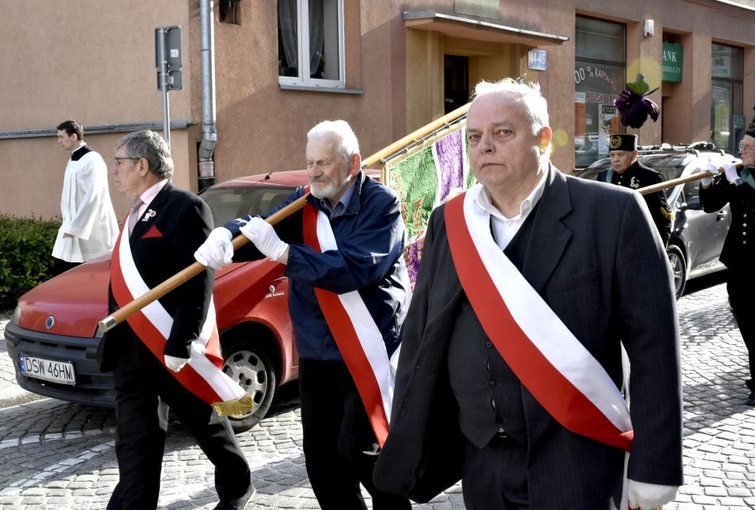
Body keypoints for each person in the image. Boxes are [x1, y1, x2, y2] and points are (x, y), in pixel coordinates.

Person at [373, 79, 683, 509]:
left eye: (503, 133)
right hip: (482, 464)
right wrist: (407, 441)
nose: (484, 147)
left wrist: (655, 467)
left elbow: (655, 348)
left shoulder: (613, 214)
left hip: (578, 460)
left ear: (544, 139)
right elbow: (424, 334)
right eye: (475, 137)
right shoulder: (450, 222)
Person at [194, 120, 412, 510]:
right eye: (310, 162)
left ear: (353, 163)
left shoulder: (383, 206)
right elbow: (263, 229)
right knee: (323, 461)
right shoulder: (306, 201)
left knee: (363, 452)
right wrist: (227, 235)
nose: (314, 172)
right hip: (317, 351)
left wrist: (286, 254)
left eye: (324, 163)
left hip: (368, 350)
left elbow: (356, 269)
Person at [97, 130, 253, 510]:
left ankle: (238, 485)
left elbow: (199, 279)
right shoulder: (133, 212)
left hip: (168, 346)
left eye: (119, 162)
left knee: (205, 423)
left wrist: (182, 341)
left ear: (142, 165)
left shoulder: (186, 207)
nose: (113, 170)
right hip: (130, 351)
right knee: (136, 441)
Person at [699, 102, 755, 407]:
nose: (743, 151)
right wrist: (708, 181)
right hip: (739, 263)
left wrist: (737, 182)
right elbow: (711, 205)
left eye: (750, 147)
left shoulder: (743, 177)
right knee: (748, 321)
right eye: (742, 145)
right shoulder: (736, 172)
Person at [52, 119, 119, 276]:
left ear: (74, 136)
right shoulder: (73, 159)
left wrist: (76, 225)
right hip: (72, 226)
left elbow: (93, 195)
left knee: (92, 271)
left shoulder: (92, 160)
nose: (59, 141)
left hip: (91, 229)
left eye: (61, 137)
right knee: (63, 271)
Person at [598, 133, 672, 245]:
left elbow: (662, 220)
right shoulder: (604, 176)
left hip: (639, 242)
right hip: (612, 243)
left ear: (634, 155)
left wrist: (658, 251)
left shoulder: (650, 177)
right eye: (612, 155)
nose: (615, 160)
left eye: (620, 155)